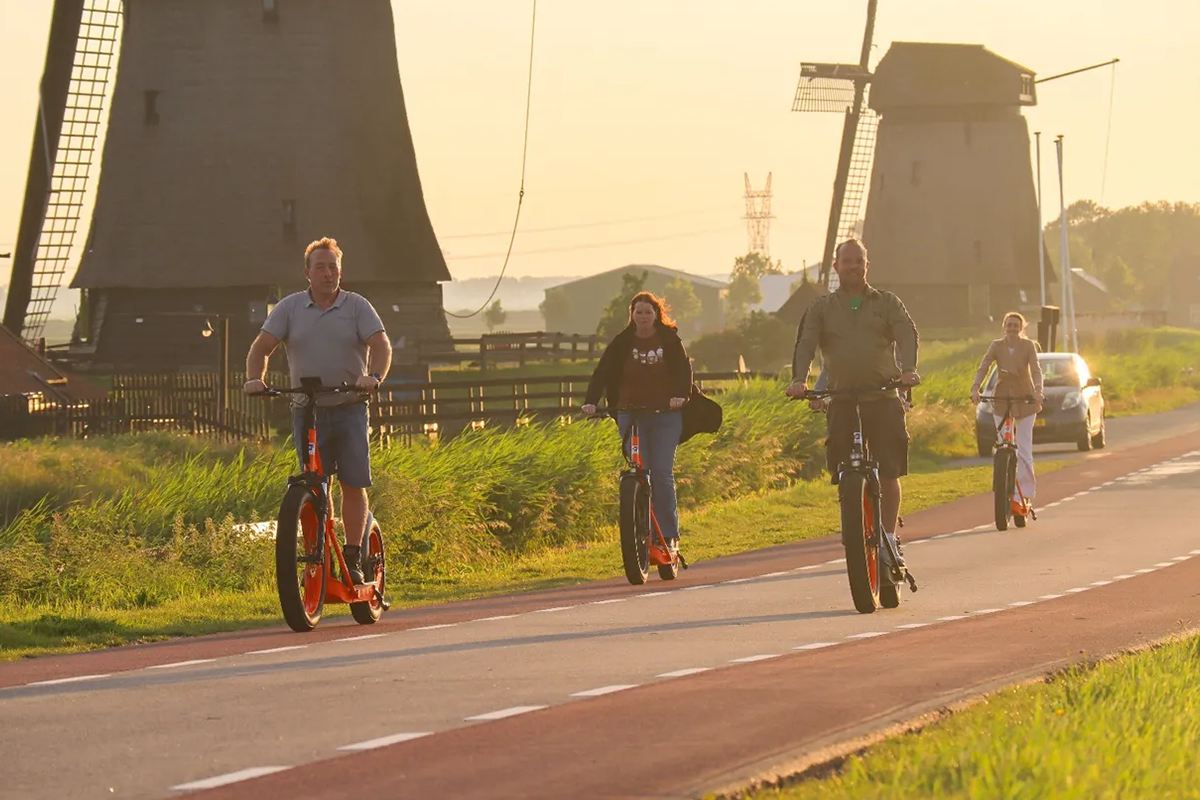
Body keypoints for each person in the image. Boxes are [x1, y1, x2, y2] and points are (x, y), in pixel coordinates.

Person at [243, 237, 392, 583]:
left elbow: (380, 344)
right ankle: (316, 549)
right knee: (314, 482)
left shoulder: (357, 306)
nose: (328, 274)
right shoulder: (290, 308)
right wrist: (254, 378)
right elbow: (262, 347)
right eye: (320, 267)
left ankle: (352, 555)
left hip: (349, 407)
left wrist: (372, 376)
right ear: (307, 273)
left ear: (341, 271)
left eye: (333, 267)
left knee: (352, 483)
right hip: (307, 409)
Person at [787, 238, 920, 563]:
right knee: (842, 466)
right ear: (836, 267)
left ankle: (888, 539)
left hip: (882, 394)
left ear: (867, 265)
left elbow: (906, 332)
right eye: (846, 261)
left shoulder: (886, 302)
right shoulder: (821, 308)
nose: (852, 267)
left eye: (858, 261)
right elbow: (806, 342)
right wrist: (800, 380)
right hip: (842, 397)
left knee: (889, 471)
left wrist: (908, 370)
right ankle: (853, 509)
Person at [582, 292, 692, 555]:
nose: (643, 317)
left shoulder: (669, 339)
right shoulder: (622, 342)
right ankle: (638, 522)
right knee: (638, 470)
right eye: (638, 312)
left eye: (647, 312)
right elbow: (603, 372)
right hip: (629, 414)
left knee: (662, 473)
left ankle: (668, 537)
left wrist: (681, 396)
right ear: (631, 315)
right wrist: (591, 401)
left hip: (665, 413)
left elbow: (683, 370)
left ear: (656, 314)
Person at [970, 311, 1044, 507]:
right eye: (1009, 325)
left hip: (1024, 397)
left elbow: (1036, 369)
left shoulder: (1028, 346)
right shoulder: (996, 346)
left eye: (1015, 325)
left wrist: (1038, 391)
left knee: (1024, 447)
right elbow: (984, 366)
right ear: (1004, 326)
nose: (1012, 328)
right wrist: (975, 388)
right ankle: (1002, 483)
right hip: (1002, 397)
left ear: (1021, 328)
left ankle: (1023, 495)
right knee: (1002, 445)